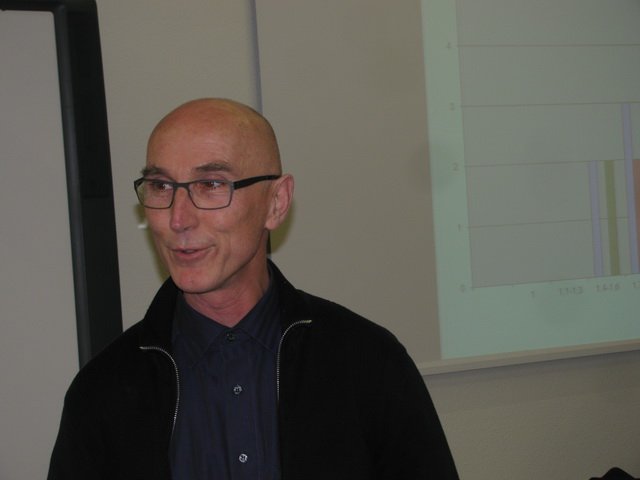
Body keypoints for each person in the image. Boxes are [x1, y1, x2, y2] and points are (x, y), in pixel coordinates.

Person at [48, 98, 458, 479]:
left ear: (276, 202)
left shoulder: (367, 363)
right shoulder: (102, 391)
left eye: (211, 184)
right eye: (161, 186)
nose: (177, 219)